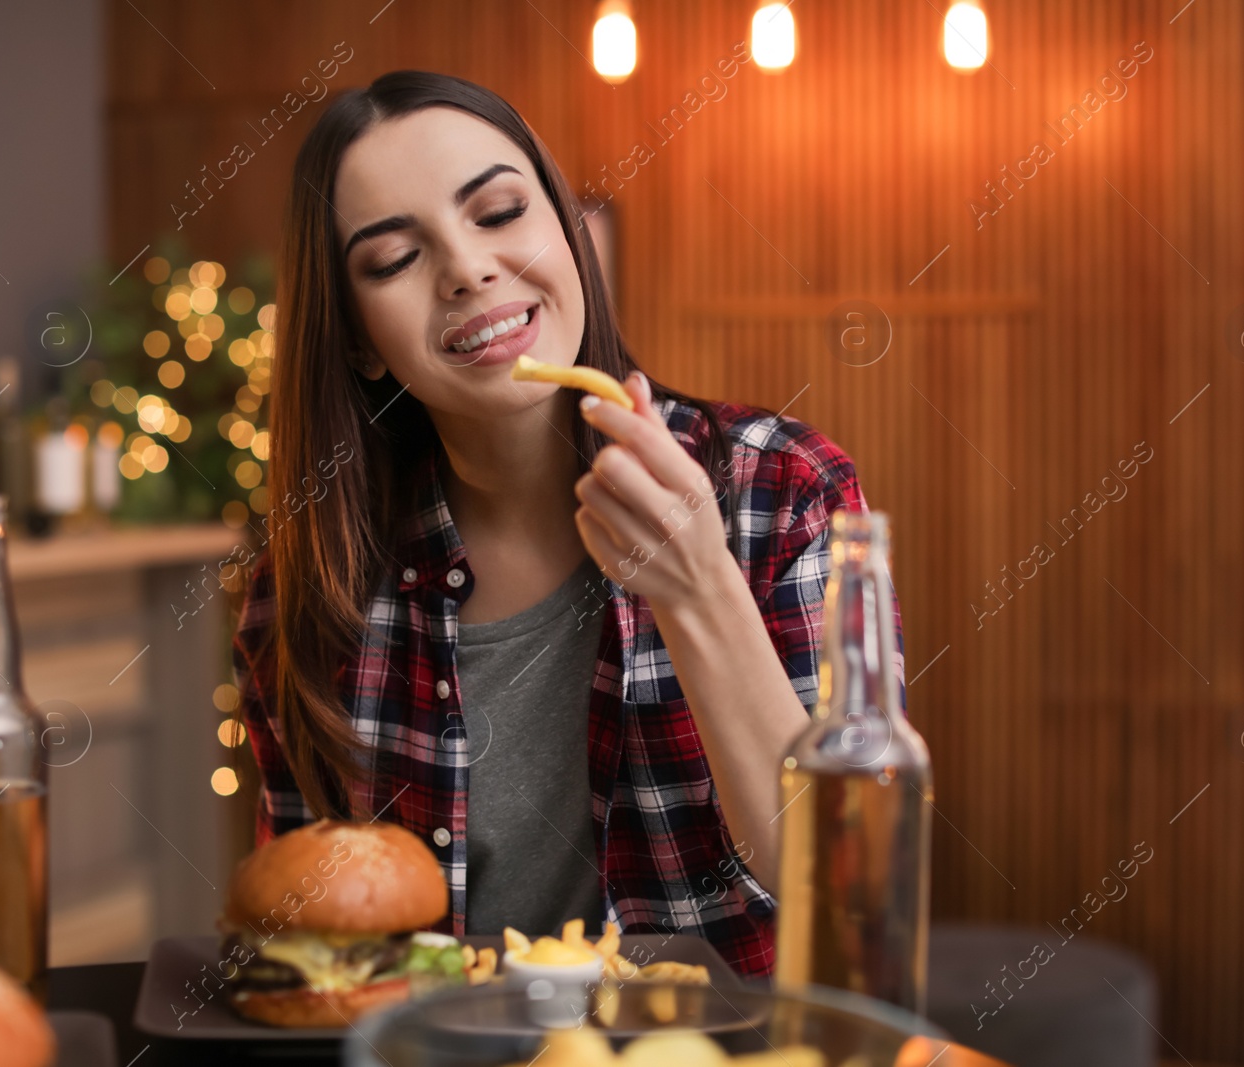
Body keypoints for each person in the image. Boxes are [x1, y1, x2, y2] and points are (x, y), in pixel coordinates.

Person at [233, 69, 906, 979]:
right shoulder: (306, 589)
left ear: (567, 232)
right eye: (394, 260)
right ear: (358, 339)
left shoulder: (784, 488)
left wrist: (699, 584)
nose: (468, 268)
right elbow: (311, 954)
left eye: (501, 211)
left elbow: (855, 890)